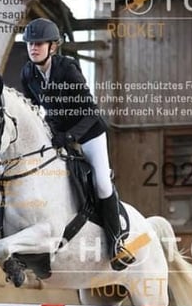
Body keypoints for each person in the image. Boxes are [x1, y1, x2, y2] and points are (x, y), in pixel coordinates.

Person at [20, 17, 134, 270]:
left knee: (102, 183)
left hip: (88, 132)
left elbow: (91, 111)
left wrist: (70, 137)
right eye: (30, 43)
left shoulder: (67, 70)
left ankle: (117, 244)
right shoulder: (28, 72)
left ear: (53, 47)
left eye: (39, 43)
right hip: (57, 133)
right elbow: (31, 109)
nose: (33, 48)